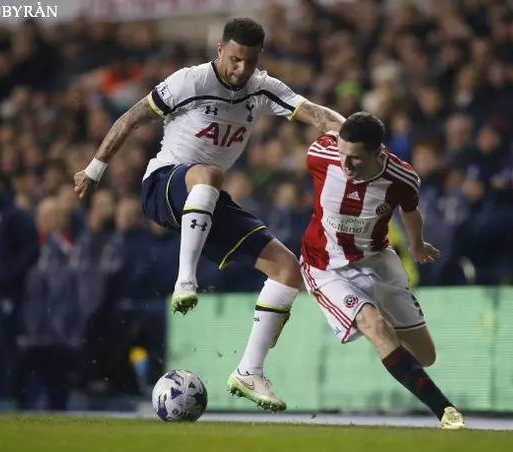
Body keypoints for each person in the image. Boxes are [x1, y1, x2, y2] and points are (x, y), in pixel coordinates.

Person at [73, 17, 345, 411]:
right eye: (234, 59)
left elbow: (318, 115)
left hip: (207, 198)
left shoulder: (263, 87)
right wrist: (94, 169)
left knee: (288, 268)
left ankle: (249, 371)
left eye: (249, 62)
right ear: (220, 50)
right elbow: (131, 118)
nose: (240, 69)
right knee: (209, 174)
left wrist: (352, 135)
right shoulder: (190, 81)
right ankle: (185, 281)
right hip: (162, 186)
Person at [299, 112, 465, 429]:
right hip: (326, 265)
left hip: (376, 261)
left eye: (356, 158)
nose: (346, 164)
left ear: (378, 152)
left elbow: (411, 211)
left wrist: (416, 245)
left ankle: (388, 330)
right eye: (343, 154)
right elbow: (323, 119)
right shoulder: (321, 154)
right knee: (374, 324)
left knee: (426, 355)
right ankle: (446, 412)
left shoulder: (402, 178)